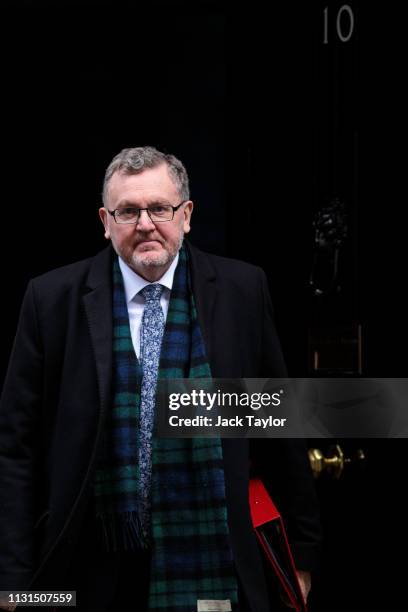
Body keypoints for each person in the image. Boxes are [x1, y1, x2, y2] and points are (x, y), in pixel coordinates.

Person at [0, 146, 320, 611]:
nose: (145, 223)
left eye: (160, 208)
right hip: (87, 567)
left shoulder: (241, 290)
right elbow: (16, 449)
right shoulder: (50, 300)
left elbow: (279, 429)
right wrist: (13, 579)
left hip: (209, 555)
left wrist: (303, 554)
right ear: (106, 221)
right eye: (128, 211)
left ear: (186, 214)